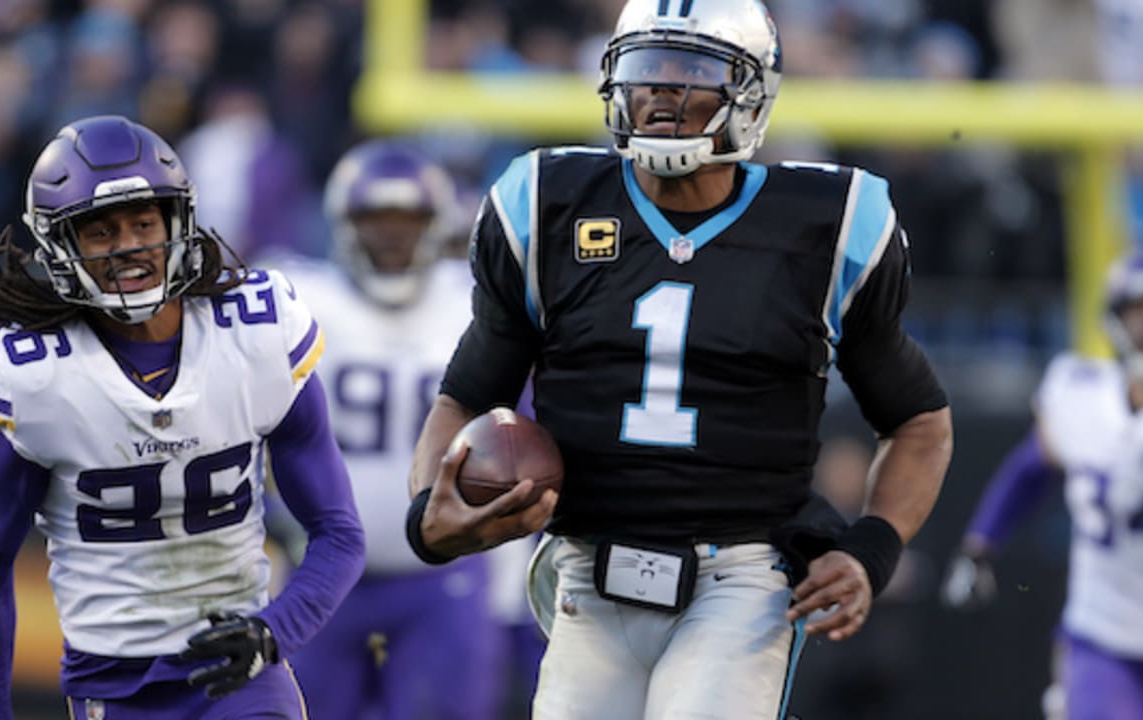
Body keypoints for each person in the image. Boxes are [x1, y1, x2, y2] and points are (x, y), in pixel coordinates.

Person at [403, 1, 954, 719]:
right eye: (645, 71)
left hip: (742, 581)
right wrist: (428, 517)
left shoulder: (825, 225)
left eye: (690, 73)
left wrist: (872, 548)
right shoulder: (548, 207)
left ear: (750, 93)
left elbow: (919, 422)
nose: (661, 92)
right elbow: (467, 397)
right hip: (587, 575)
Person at [0, 115, 366, 719]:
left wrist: (274, 632)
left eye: (143, 223)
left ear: (178, 222)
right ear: (62, 247)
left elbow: (340, 533)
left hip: (236, 673)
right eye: (102, 232)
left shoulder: (254, 337)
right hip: (112, 682)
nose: (130, 246)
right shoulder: (37, 376)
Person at [276, 140, 529, 720]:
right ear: (343, 222)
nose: (391, 235)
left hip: (444, 578)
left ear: (436, 224)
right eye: (374, 219)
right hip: (320, 576)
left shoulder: (471, 301)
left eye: (408, 219)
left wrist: (510, 588)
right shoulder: (296, 299)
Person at [943, 251, 1143, 720]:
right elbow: (1031, 467)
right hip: (1104, 636)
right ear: (1118, 318)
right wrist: (981, 543)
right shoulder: (1081, 394)